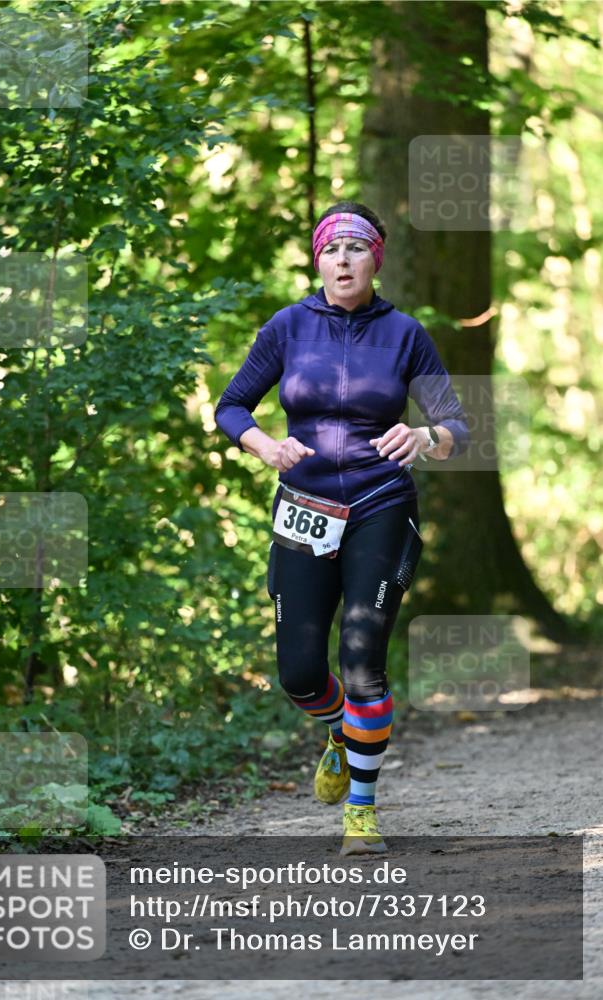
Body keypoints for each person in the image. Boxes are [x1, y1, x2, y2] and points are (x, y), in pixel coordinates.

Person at [214, 201, 469, 855]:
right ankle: (339, 730)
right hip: (304, 505)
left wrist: (423, 433)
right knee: (300, 673)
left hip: (381, 505)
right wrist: (265, 446)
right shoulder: (287, 328)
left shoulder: (404, 334)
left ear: (373, 260)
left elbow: (457, 429)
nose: (343, 260)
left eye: (356, 249)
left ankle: (360, 812)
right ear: (317, 259)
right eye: (332, 249)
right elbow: (231, 405)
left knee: (361, 662)